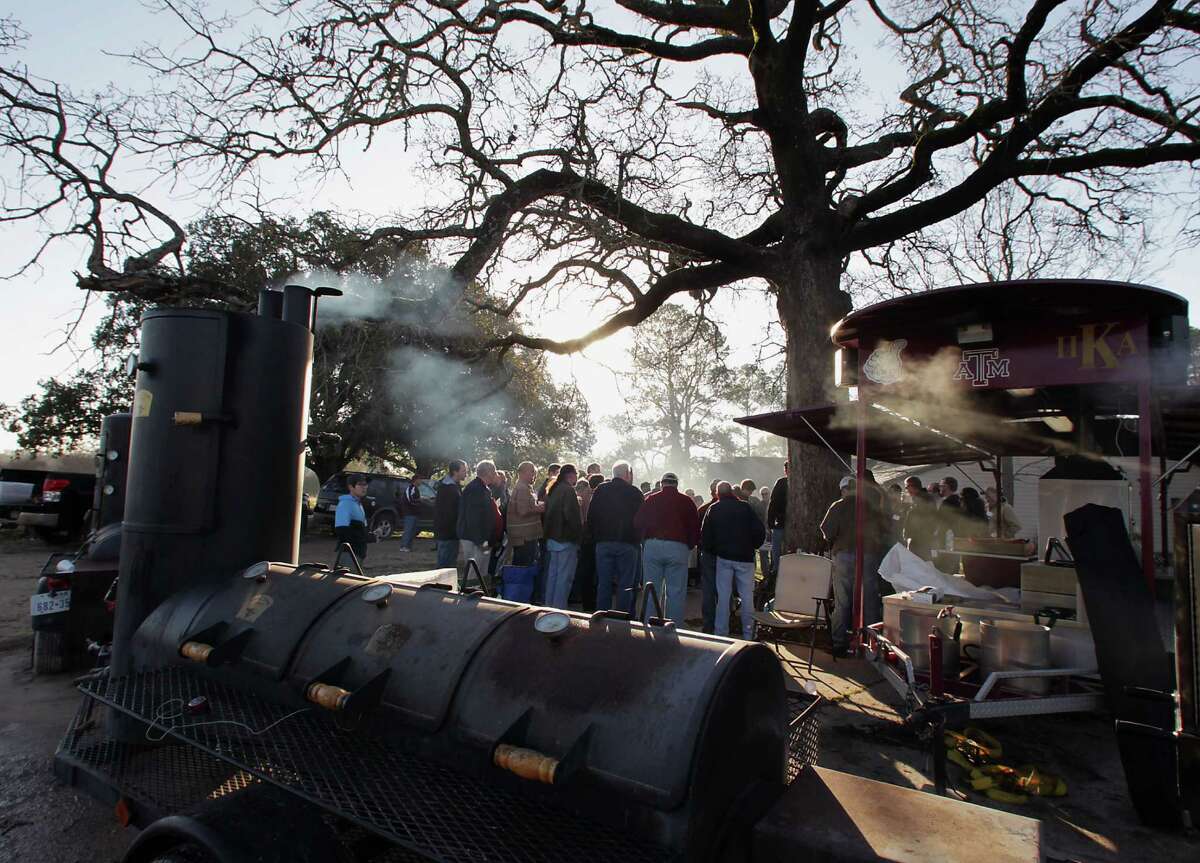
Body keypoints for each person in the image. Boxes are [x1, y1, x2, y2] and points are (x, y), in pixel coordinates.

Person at [820, 476, 883, 656]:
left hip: (844, 554)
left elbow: (827, 532)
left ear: (843, 490)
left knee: (842, 601)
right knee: (869, 600)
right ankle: (872, 644)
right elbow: (881, 530)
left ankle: (839, 643)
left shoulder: (838, 506)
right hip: (868, 554)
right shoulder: (869, 506)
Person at [634, 471, 700, 623]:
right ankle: (673, 626)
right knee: (676, 591)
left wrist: (644, 540)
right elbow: (695, 527)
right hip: (678, 547)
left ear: (662, 483)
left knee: (651, 588)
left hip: (653, 545)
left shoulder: (651, 499)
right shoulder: (686, 501)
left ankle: (649, 624)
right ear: (676, 484)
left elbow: (638, 522)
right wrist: (689, 545)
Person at [702, 481, 766, 639]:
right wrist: (753, 546)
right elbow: (759, 530)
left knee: (723, 597)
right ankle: (749, 633)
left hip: (724, 557)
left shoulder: (714, 508)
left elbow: (706, 535)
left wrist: (714, 550)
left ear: (717, 494)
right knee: (747, 597)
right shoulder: (745, 507)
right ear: (731, 492)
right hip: (745, 558)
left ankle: (721, 632)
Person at [588, 461, 644, 613]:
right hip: (628, 543)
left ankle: (602, 615)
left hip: (603, 542)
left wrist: (596, 536)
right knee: (626, 584)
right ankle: (622, 617)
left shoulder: (601, 490)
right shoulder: (635, 493)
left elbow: (591, 516)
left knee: (604, 583)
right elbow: (641, 519)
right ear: (627, 474)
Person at [542, 463, 583, 609]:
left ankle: (549, 606)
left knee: (553, 575)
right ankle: (559, 608)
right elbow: (571, 517)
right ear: (571, 475)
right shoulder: (568, 490)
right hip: (566, 539)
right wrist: (578, 536)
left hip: (552, 538)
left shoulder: (553, 489)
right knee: (564, 577)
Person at [458, 460, 500, 587]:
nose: (496, 474)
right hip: (474, 538)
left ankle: (477, 592)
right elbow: (473, 518)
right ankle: (469, 594)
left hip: (479, 538)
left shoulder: (482, 488)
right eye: (494, 472)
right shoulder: (476, 489)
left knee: (480, 572)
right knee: (474, 571)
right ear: (488, 472)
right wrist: (481, 541)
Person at [506, 461, 544, 566]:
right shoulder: (522, 488)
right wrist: (539, 509)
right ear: (522, 473)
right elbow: (522, 511)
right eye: (532, 472)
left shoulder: (525, 487)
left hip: (524, 535)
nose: (534, 475)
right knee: (523, 565)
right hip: (524, 537)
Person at [696, 480, 721, 632]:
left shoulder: (703, 509)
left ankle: (708, 624)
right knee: (724, 591)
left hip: (708, 553)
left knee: (708, 590)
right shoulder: (733, 507)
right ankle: (723, 622)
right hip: (725, 554)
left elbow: (698, 532)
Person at [434, 460, 467, 568]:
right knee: (444, 567)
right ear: (455, 472)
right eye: (463, 470)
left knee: (449, 566)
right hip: (447, 534)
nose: (466, 473)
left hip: (450, 533)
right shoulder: (447, 488)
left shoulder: (454, 486)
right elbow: (447, 513)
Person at [740, 478, 771, 584]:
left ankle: (768, 576)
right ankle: (759, 577)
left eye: (766, 494)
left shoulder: (755, 501)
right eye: (762, 494)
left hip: (765, 532)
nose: (764, 496)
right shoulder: (754, 503)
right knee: (760, 555)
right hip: (751, 534)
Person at [765, 461, 789, 595]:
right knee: (777, 547)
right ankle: (776, 568)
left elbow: (773, 503)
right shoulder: (782, 483)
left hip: (781, 522)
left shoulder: (781, 482)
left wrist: (770, 523)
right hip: (782, 521)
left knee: (777, 548)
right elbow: (773, 503)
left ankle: (776, 569)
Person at [334, 474, 370, 561]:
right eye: (360, 484)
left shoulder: (358, 503)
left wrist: (371, 536)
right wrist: (363, 538)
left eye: (365, 484)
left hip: (359, 553)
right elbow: (342, 531)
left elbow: (361, 530)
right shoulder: (345, 504)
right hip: (349, 554)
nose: (364, 487)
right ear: (351, 487)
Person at [574, 477, 597, 611]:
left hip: (583, 539)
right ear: (581, 490)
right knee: (586, 570)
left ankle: (581, 597)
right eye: (588, 492)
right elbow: (582, 521)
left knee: (583, 570)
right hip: (585, 539)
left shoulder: (581, 500)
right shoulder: (579, 501)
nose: (590, 494)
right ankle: (586, 600)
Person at [902, 476, 938, 561]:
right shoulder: (920, 498)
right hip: (919, 539)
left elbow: (920, 520)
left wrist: (910, 534)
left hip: (920, 541)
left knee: (919, 564)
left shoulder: (923, 499)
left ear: (913, 486)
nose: (906, 489)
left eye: (907, 487)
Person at [397, 473, 423, 552]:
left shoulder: (416, 489)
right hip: (409, 513)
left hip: (415, 513)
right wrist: (419, 501)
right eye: (420, 480)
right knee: (408, 530)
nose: (421, 481)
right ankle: (404, 546)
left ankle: (408, 546)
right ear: (416, 480)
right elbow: (409, 500)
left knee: (412, 531)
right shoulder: (411, 488)